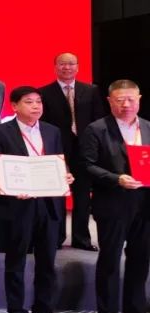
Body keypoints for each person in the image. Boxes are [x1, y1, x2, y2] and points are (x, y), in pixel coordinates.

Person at [0, 86, 72, 313]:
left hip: (48, 204)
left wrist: (65, 175)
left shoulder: (52, 131)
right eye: (29, 102)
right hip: (19, 205)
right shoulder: (1, 132)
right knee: (16, 262)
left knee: (47, 263)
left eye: (38, 102)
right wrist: (11, 184)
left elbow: (58, 161)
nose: (36, 106)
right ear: (14, 106)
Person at [80, 79, 150, 313]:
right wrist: (116, 178)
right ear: (110, 101)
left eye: (131, 99)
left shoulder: (148, 127)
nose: (126, 105)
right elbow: (86, 165)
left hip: (145, 204)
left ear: (139, 99)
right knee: (110, 258)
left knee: (141, 258)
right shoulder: (96, 129)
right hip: (113, 202)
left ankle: (136, 312)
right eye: (120, 100)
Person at [38, 52, 107, 251]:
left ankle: (81, 238)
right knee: (57, 196)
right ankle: (57, 237)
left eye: (71, 64)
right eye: (62, 64)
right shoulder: (44, 92)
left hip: (85, 151)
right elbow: (43, 125)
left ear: (77, 67)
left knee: (83, 196)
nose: (66, 67)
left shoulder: (91, 90)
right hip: (57, 151)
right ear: (55, 67)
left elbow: (98, 120)